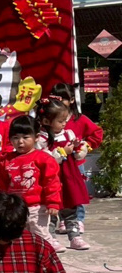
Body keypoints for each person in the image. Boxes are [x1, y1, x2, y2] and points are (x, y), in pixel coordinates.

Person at [0, 116, 63, 253]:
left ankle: (46, 255)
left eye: (25, 137)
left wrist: (53, 203)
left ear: (36, 137)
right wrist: (1, 204)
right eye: (15, 138)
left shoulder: (44, 159)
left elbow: (52, 182)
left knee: (40, 235)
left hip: (37, 208)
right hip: (15, 208)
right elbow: (1, 185)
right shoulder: (5, 161)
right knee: (17, 237)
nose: (20, 142)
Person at [36, 97, 91, 251]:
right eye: (60, 121)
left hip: (69, 176)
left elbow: (77, 154)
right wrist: (61, 152)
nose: (64, 123)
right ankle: (51, 238)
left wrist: (79, 149)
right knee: (52, 209)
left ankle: (75, 237)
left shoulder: (68, 134)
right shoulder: (42, 138)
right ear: (46, 121)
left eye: (65, 119)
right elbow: (44, 158)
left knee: (71, 206)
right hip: (51, 178)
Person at [50, 82, 102, 233]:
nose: (59, 101)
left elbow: (97, 133)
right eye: (55, 98)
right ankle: (64, 220)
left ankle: (78, 220)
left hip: (76, 164)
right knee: (60, 191)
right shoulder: (50, 119)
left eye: (63, 98)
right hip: (57, 163)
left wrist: (86, 146)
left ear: (72, 100)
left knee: (76, 192)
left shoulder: (79, 119)